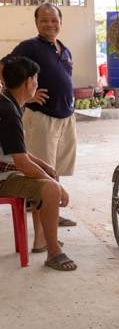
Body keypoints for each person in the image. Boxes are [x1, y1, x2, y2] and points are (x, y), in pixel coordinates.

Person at [0, 56, 76, 271]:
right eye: (35, 79)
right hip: (3, 178)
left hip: (6, 171)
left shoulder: (8, 102)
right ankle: (53, 252)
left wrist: (45, 167)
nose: (37, 83)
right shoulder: (8, 111)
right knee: (50, 188)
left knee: (47, 176)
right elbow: (22, 163)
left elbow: (19, 153)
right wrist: (57, 185)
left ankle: (42, 240)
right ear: (28, 82)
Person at [9, 3, 77, 227]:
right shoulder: (30, 47)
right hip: (42, 118)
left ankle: (53, 215)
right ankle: (42, 230)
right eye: (44, 20)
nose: (50, 24)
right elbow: (4, 67)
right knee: (42, 173)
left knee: (55, 170)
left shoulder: (64, 49)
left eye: (54, 20)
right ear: (37, 23)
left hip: (65, 118)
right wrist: (27, 96)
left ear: (61, 22)